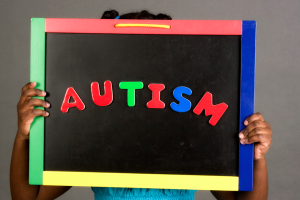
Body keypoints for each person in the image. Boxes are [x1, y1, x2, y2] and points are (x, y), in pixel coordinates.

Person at [10, 10, 272, 200]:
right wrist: (23, 135)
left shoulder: (193, 139)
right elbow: (28, 198)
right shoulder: (94, 136)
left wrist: (256, 158)